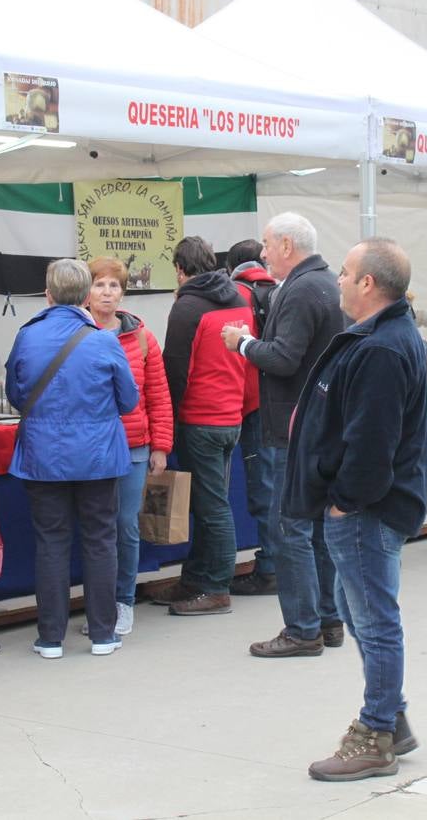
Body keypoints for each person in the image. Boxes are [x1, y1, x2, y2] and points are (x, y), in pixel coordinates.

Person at [283, 237, 427, 782]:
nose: (338, 281)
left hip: (366, 510)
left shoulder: (382, 349)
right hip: (361, 507)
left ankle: (376, 734)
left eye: (345, 273)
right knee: (360, 610)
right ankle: (394, 717)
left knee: (374, 618)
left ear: (368, 283)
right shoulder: (377, 338)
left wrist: (346, 502)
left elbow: (373, 443)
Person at [223, 214, 347, 657]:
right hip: (319, 422)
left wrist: (241, 343)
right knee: (316, 529)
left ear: (288, 246)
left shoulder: (298, 290)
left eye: (268, 243)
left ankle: (302, 629)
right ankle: (328, 621)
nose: (262, 252)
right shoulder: (328, 283)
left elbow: (283, 359)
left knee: (290, 528)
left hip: (296, 427)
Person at [6, 259, 138, 656]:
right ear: (85, 296)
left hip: (43, 455)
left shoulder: (27, 336)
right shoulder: (102, 340)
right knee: (100, 540)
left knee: (50, 541)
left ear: (47, 294)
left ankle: (50, 638)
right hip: (98, 456)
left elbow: (15, 395)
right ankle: (103, 634)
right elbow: (128, 399)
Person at [154, 237, 253, 616]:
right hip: (231, 415)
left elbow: (175, 370)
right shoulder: (238, 300)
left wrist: (165, 420)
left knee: (213, 508)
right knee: (209, 503)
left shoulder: (188, 307)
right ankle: (195, 578)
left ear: (180, 269)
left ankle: (216, 588)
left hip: (200, 418)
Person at [88, 256, 173, 638]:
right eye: (100, 284)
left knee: (126, 526)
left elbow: (158, 394)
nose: (107, 292)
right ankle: (99, 607)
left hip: (135, 445)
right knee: (96, 528)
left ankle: (123, 602)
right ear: (87, 291)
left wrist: (161, 445)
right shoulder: (79, 332)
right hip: (90, 446)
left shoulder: (141, 337)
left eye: (114, 285)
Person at [224, 239, 279, 596]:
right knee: (276, 483)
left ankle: (271, 566)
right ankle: (278, 560)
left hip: (251, 402)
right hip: (280, 399)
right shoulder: (280, 291)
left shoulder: (237, 295)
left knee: (263, 488)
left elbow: (233, 356)